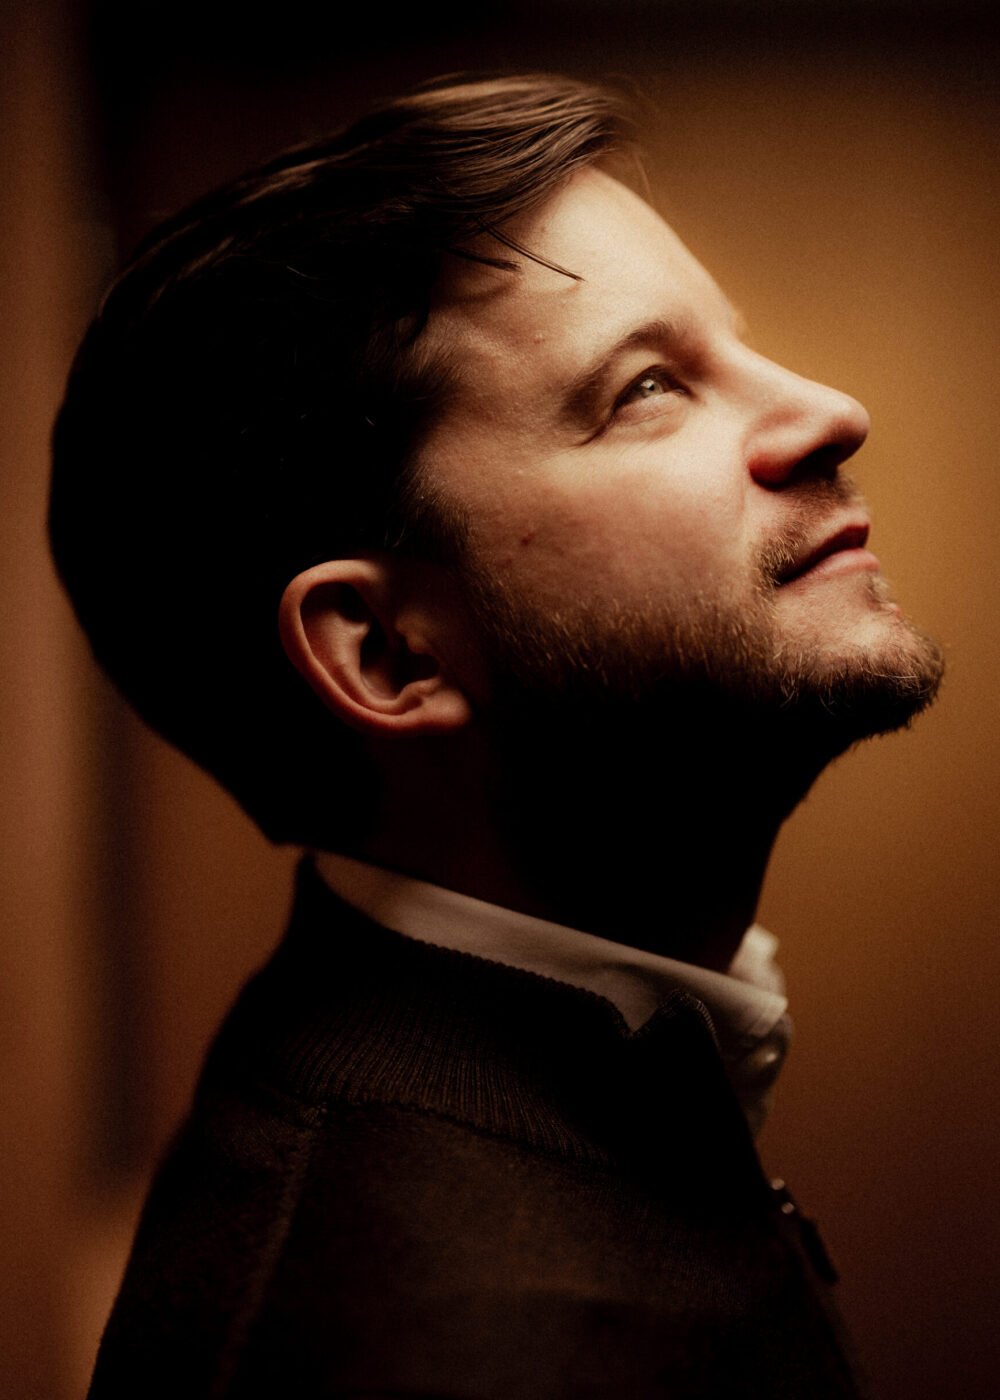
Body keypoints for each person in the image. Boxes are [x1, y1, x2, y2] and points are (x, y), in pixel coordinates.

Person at [50, 73, 943, 1398]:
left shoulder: (455, 1070)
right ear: (388, 652)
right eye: (646, 388)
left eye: (736, 347)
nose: (830, 408)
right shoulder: (460, 1346)